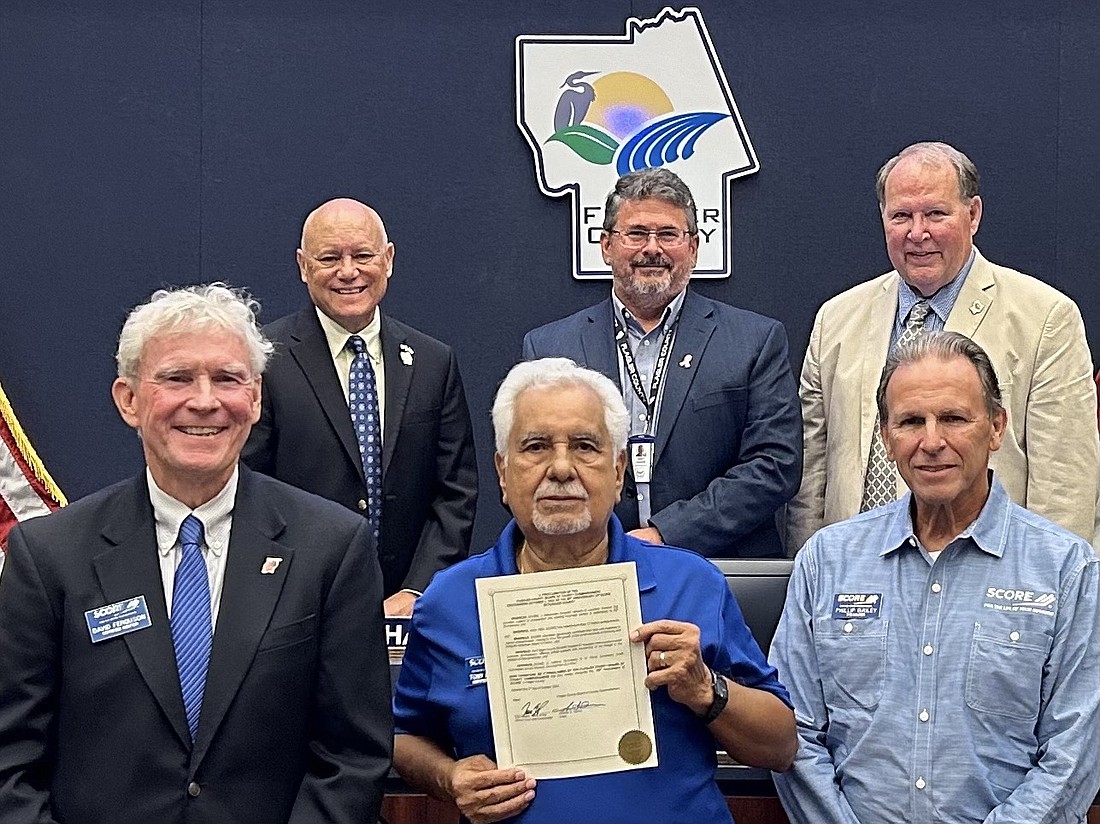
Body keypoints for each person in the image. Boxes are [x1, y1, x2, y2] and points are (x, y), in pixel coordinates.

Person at [0, 285, 392, 824]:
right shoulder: (48, 556)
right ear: (129, 400)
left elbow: (353, 757)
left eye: (228, 378)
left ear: (255, 399)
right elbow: (10, 760)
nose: (205, 401)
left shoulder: (332, 547)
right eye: (177, 377)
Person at [392, 358, 797, 824]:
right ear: (503, 472)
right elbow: (405, 738)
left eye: (585, 447)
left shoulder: (693, 582)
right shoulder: (448, 600)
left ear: (618, 470)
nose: (561, 468)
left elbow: (781, 747)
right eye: (536, 447)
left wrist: (706, 689)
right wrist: (449, 777)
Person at [771, 331, 1100, 824]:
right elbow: (792, 730)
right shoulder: (827, 561)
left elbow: (1073, 754)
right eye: (910, 421)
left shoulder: (1066, 570)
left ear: (995, 427)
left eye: (952, 418)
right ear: (886, 436)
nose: (931, 442)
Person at [787, 141, 1098, 551]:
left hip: (990, 576)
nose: (918, 233)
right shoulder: (836, 320)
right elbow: (811, 477)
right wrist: (808, 567)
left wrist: (1047, 589)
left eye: (935, 213)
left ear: (973, 215)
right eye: (901, 216)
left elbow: (1066, 481)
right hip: (859, 577)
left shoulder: (1045, 318)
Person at [522, 169, 801, 558]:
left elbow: (774, 465)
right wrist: (606, 545)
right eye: (636, 234)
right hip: (590, 568)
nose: (652, 249)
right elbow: (530, 466)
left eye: (668, 235)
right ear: (605, 246)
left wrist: (666, 533)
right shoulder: (550, 347)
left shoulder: (754, 341)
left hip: (718, 568)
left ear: (694, 247)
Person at [243, 197, 478, 615]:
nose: (348, 272)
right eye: (330, 257)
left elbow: (455, 493)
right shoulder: (265, 362)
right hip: (296, 608)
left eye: (363, 255)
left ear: (387, 260)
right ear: (303, 266)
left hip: (407, 614)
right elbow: (249, 490)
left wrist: (418, 590)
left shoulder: (432, 361)